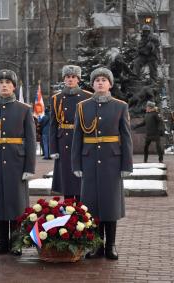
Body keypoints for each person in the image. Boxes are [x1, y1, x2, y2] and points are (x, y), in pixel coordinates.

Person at [71, 67, 133, 260]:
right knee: (92, 205)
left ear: (110, 84)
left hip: (111, 161)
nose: (100, 83)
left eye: (104, 80)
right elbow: (77, 138)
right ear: (92, 83)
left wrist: (126, 165)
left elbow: (126, 137)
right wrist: (77, 165)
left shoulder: (120, 106)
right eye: (97, 80)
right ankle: (96, 245)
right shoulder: (83, 106)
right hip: (89, 160)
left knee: (110, 204)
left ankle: (111, 246)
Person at [0, 69, 36, 256]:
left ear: (14, 86)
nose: (4, 85)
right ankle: (2, 242)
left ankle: (16, 242)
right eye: (1, 82)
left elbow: (31, 139)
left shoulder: (24, 109)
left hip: (16, 162)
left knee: (16, 203)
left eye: (8, 82)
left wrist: (29, 167)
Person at [50, 65, 92, 200]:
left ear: (78, 79)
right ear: (64, 79)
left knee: (81, 177)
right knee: (66, 177)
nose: (70, 79)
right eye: (67, 77)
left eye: (73, 77)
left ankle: (80, 213)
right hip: (64, 141)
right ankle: (68, 210)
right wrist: (53, 148)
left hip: (82, 140)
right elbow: (53, 125)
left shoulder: (87, 97)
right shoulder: (57, 98)